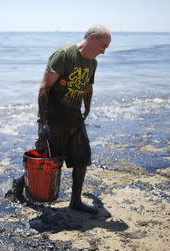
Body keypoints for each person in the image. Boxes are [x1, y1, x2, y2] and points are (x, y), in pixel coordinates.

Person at [13, 25, 111, 214]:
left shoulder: (93, 63)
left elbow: (87, 88)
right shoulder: (64, 54)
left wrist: (87, 108)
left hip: (74, 115)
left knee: (82, 156)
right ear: (92, 37)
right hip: (55, 116)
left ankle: (75, 201)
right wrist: (42, 121)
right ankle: (18, 187)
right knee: (50, 160)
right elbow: (44, 88)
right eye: (103, 46)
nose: (104, 51)